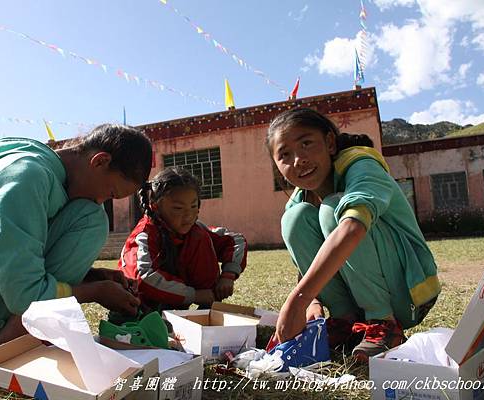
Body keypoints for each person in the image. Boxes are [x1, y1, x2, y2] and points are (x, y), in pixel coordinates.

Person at [0, 124, 152, 359]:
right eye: (110, 193)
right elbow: (24, 295)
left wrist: (92, 276)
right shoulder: (28, 176)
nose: (101, 201)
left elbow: (19, 256)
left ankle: (13, 337)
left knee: (88, 215)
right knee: (91, 219)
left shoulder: (43, 173)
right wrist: (94, 292)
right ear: (100, 161)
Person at [267, 108, 440, 361]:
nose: (298, 160)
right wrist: (313, 302)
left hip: (410, 292)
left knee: (331, 210)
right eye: (284, 155)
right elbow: (308, 262)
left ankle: (384, 323)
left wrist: (298, 301)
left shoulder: (361, 165)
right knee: (293, 220)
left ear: (329, 142)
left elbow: (352, 227)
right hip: (357, 297)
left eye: (306, 143)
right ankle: (346, 323)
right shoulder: (299, 198)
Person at [116, 167, 247, 316]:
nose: (188, 216)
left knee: (201, 237)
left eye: (193, 206)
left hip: (180, 303)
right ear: (155, 206)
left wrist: (228, 275)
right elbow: (144, 278)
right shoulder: (144, 235)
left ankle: (207, 308)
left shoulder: (196, 230)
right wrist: (194, 295)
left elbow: (235, 240)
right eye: (178, 208)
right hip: (140, 307)